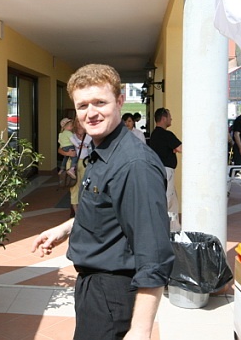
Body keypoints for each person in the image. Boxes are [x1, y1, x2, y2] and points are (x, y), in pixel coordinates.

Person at [31, 64, 174, 340]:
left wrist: (140, 330)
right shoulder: (102, 150)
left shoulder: (134, 165)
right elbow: (105, 209)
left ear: (120, 101)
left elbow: (154, 255)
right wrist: (65, 229)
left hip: (113, 294)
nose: (91, 112)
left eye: (100, 102)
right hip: (94, 291)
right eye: (82, 105)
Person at [149, 107, 182, 231]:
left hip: (158, 170)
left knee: (173, 201)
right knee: (167, 199)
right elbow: (180, 148)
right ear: (163, 118)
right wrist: (175, 149)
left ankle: (174, 228)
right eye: (169, 116)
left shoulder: (154, 134)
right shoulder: (166, 134)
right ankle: (159, 228)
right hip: (167, 171)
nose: (171, 119)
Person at [68, 119, 92, 217]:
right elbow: (60, 149)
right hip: (72, 163)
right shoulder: (71, 136)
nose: (79, 124)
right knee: (74, 187)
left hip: (85, 162)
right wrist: (68, 153)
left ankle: (84, 210)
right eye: (77, 122)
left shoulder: (90, 136)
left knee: (85, 186)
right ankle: (76, 213)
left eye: (81, 122)